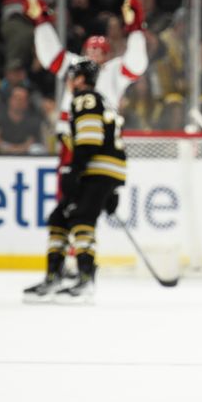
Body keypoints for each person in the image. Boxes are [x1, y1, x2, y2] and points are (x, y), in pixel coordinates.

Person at [23, 60, 126, 303]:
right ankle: (53, 277)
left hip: (97, 170)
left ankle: (85, 280)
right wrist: (112, 189)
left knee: (82, 218)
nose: (69, 81)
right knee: (59, 217)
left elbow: (89, 141)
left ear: (80, 79)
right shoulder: (99, 100)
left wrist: (73, 170)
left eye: (72, 76)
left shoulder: (85, 99)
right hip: (104, 170)